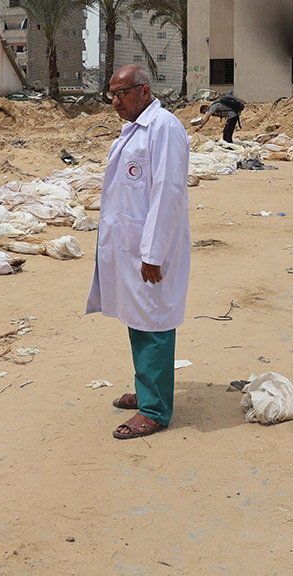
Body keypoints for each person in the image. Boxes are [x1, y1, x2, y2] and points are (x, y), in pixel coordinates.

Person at [86, 64, 191, 440]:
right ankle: (148, 390)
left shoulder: (164, 129)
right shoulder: (134, 130)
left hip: (150, 248)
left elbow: (168, 193)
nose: (115, 102)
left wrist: (153, 252)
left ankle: (156, 410)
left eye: (122, 93)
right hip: (131, 245)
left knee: (154, 322)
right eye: (111, 94)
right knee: (138, 317)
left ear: (144, 91)